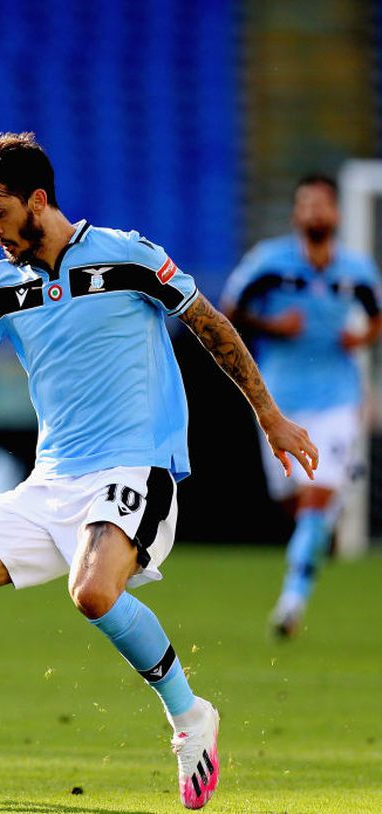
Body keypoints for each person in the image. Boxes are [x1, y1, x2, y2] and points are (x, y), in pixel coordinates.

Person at [0, 132, 319, 810]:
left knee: (92, 593)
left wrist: (269, 415)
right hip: (51, 482)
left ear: (38, 200)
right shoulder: (4, 288)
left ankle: (189, 716)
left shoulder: (126, 255)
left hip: (136, 466)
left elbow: (211, 324)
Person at [221, 174, 382, 638]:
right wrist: (272, 326)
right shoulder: (269, 262)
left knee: (315, 499)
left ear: (336, 214)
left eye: (322, 204)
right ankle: (332, 504)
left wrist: (360, 337)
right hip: (280, 403)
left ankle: (291, 602)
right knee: (299, 506)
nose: (314, 212)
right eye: (306, 204)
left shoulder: (356, 270)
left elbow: (375, 318)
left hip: (338, 399)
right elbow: (227, 313)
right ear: (296, 215)